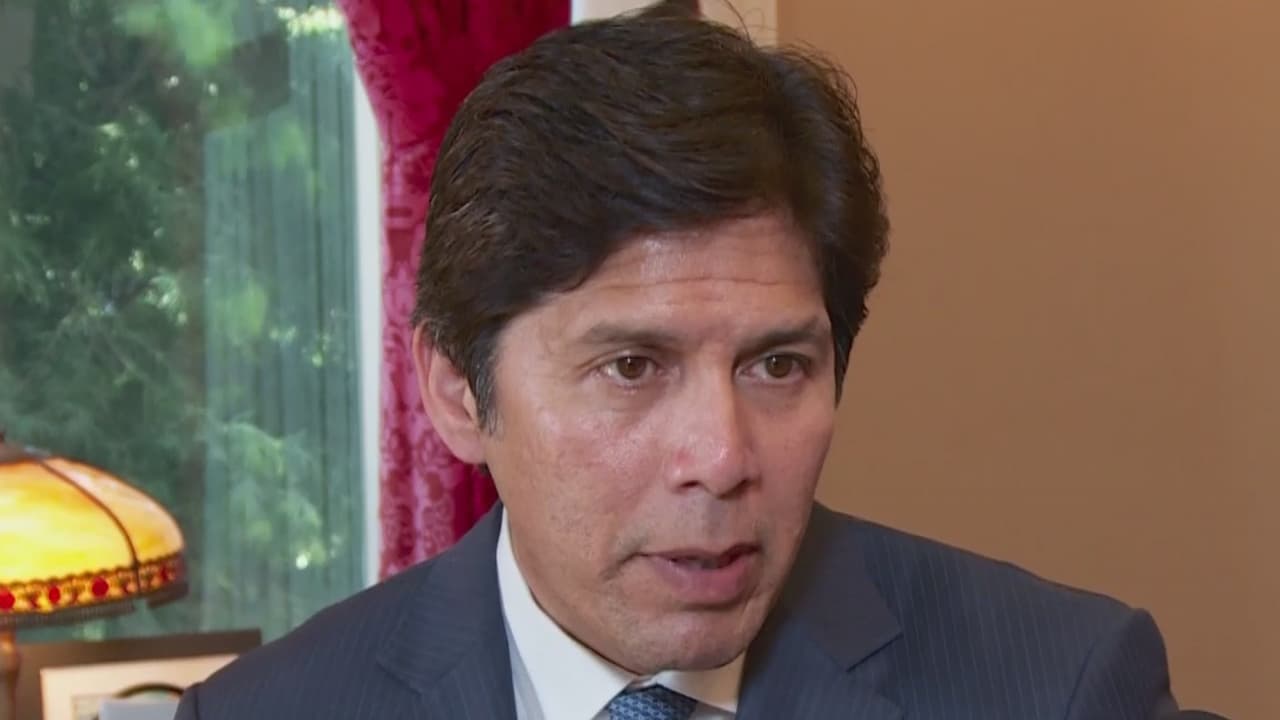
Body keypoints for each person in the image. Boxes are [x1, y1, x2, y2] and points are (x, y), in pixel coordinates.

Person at [177, 3, 1177, 718]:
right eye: (631, 367)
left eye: (776, 366)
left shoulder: (1063, 686)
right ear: (454, 391)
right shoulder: (263, 712)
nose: (721, 457)